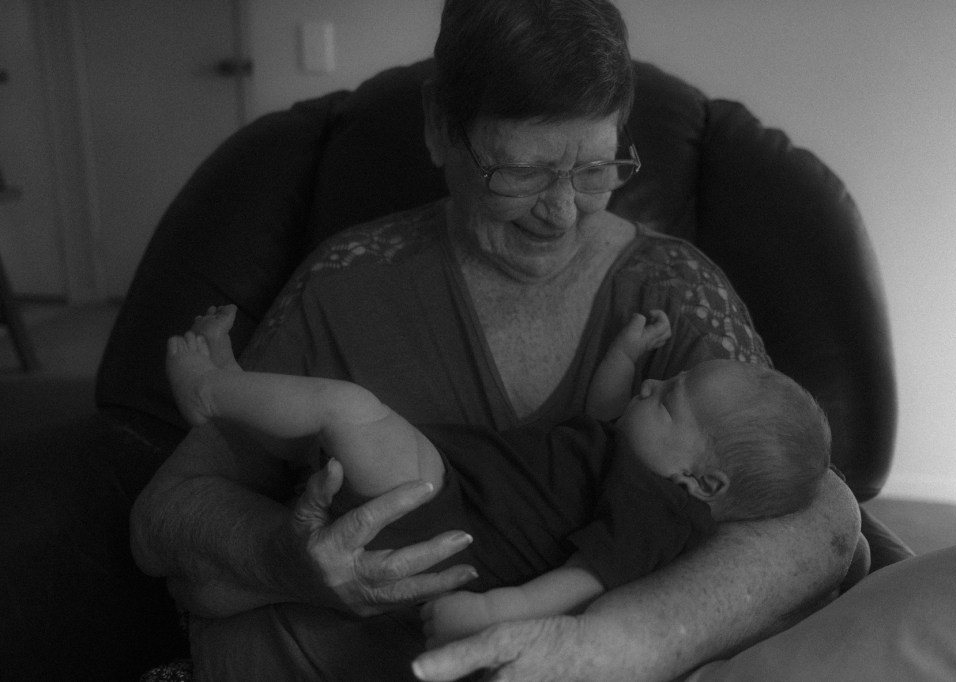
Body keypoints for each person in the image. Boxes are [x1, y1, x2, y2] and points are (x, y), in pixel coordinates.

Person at [130, 1, 861, 680]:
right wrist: (283, 560)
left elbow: (818, 519)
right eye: (522, 171)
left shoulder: (676, 295)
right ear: (439, 127)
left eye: (595, 167)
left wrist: (608, 644)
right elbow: (163, 518)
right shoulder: (346, 284)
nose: (562, 211)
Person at [165, 305, 829, 650]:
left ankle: (211, 392)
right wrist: (627, 353)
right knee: (317, 451)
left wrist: (494, 614)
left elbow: (584, 579)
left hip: (444, 522)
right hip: (446, 494)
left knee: (348, 412)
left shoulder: (659, 515)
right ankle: (236, 393)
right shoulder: (635, 454)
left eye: (669, 400)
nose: (653, 387)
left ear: (702, 484)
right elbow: (604, 407)